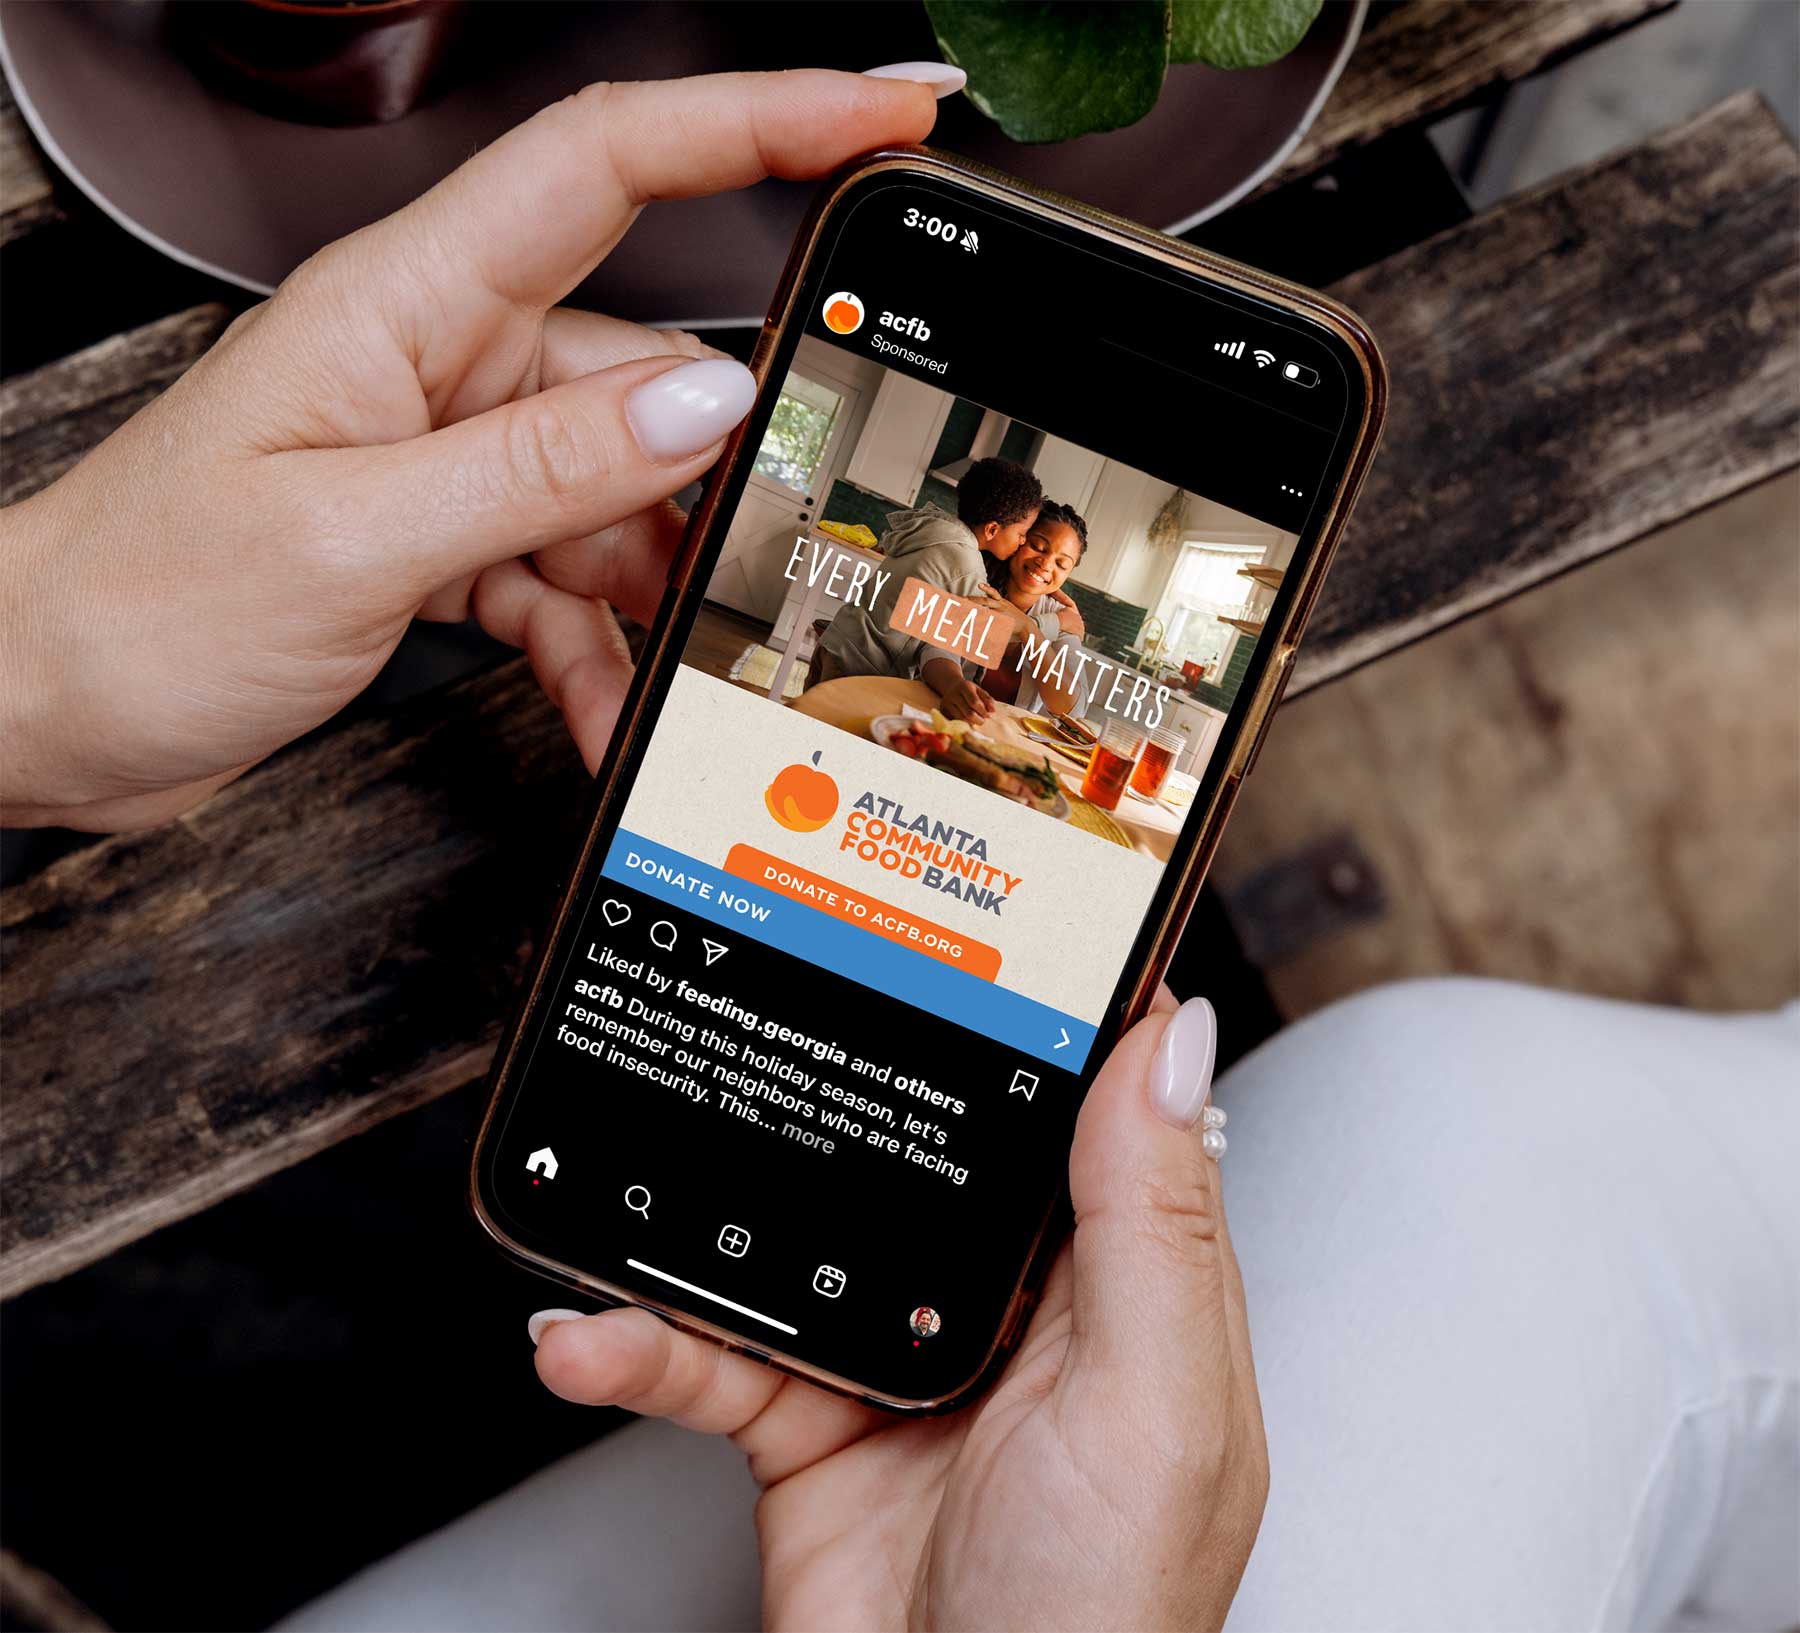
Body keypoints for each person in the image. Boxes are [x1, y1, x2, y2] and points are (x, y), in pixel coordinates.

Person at [2, 67, 1793, 1633]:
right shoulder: (930, 532)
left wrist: (42, 672)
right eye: (1037, 554)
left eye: (1051, 566)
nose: (1042, 575)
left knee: (1453, 1098)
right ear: (1009, 525)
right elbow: (913, 644)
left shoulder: (1030, 579)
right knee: (1455, 1094)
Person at [809, 455, 1042, 687]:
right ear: (992, 529)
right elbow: (990, 638)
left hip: (836, 641)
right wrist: (1049, 624)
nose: (1022, 542)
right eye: (1022, 534)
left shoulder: (932, 526)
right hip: (862, 667)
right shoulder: (966, 563)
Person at [926, 498, 1088, 719]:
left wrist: (1028, 629)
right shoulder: (976, 582)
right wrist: (954, 685)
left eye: (1061, 564)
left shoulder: (1064, 617)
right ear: (1020, 538)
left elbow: (1073, 708)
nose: (1046, 564)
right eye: (1038, 546)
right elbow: (935, 649)